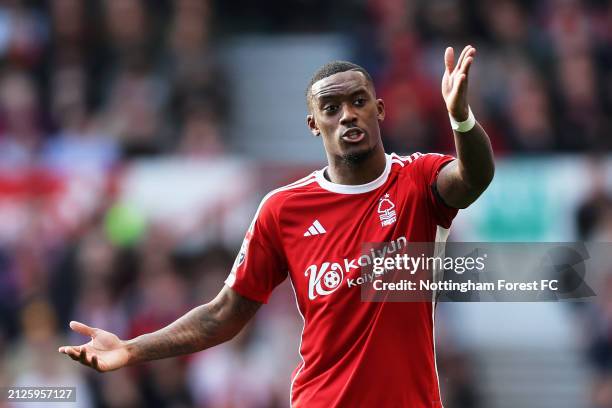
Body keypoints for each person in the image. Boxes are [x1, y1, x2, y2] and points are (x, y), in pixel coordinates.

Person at [59, 45, 494, 407]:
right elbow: (224, 314)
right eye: (330, 108)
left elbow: (475, 177)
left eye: (358, 102)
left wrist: (461, 118)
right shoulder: (284, 209)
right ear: (313, 125)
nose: (347, 115)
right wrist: (132, 348)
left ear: (379, 110)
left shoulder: (416, 181)